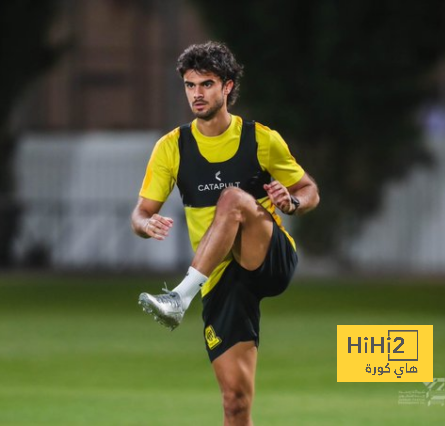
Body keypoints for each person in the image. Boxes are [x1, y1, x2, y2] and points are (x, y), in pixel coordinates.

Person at [131, 41, 319, 425]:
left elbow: (309, 190)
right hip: (219, 278)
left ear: (228, 87)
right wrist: (145, 225)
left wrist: (292, 203)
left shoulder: (261, 138)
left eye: (206, 84)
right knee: (234, 402)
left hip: (267, 257)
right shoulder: (172, 147)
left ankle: (178, 298)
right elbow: (140, 213)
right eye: (190, 85)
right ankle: (186, 295)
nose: (197, 94)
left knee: (232, 199)